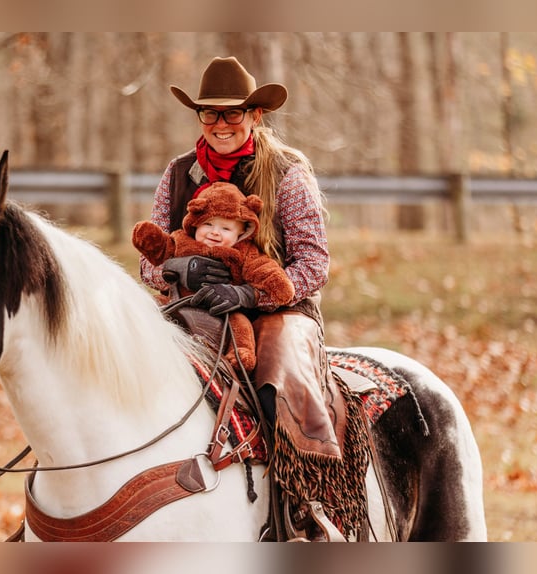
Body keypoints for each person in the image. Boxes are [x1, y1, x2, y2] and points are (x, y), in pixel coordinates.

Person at [139, 56, 368, 541]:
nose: (221, 124)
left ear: (255, 116)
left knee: (275, 390)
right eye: (210, 113)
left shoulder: (287, 172)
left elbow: (313, 262)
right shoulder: (178, 172)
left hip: (279, 309)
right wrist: (178, 268)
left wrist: (249, 291)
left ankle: (307, 510)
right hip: (191, 304)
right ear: (199, 117)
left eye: (232, 113)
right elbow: (148, 258)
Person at [132, 181, 294, 372]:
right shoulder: (181, 240)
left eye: (226, 229)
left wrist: (247, 294)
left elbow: (264, 270)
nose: (215, 232)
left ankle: (239, 353)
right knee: (146, 306)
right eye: (208, 224)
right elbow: (160, 251)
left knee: (239, 324)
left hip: (222, 308)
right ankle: (133, 344)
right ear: (195, 223)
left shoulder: (244, 252)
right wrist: (171, 263)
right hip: (178, 300)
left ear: (242, 232)